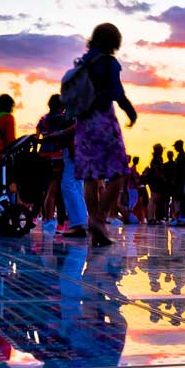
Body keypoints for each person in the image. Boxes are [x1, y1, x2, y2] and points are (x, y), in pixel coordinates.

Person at [66, 23, 137, 247]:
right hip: (103, 121)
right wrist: (130, 111)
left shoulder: (83, 62)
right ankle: (99, 219)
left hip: (83, 124)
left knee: (90, 176)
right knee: (118, 172)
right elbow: (116, 91)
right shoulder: (108, 61)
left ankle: (96, 226)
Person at [35, 94, 87, 238]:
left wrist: (57, 135)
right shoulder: (70, 114)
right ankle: (78, 221)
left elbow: (38, 135)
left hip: (58, 156)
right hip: (70, 155)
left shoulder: (49, 119)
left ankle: (74, 223)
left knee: (65, 186)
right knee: (75, 186)